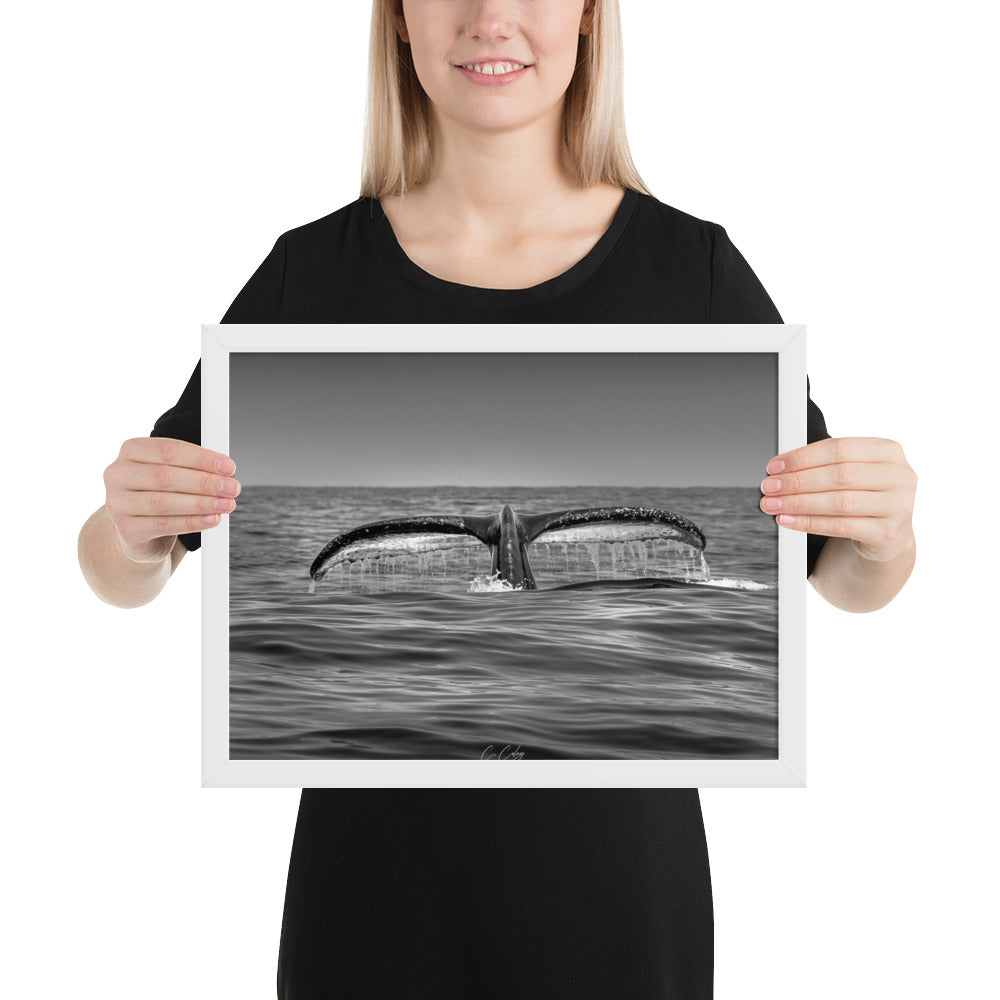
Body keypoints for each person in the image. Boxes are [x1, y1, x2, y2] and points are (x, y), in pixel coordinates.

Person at [78, 1, 917, 996]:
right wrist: (132, 530)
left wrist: (884, 530)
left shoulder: (691, 273)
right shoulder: (311, 276)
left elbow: (846, 577)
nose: (492, 18)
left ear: (591, 18)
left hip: (617, 896)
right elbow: (120, 567)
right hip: (372, 898)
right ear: (396, 19)